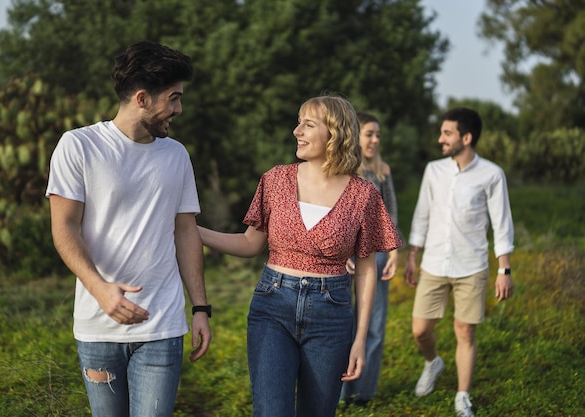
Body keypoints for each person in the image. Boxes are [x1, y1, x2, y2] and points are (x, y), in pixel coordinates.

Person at [198, 94, 403, 417]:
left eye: (308, 124)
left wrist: (360, 339)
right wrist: (192, 232)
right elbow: (251, 244)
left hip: (332, 314)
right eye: (298, 123)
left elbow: (366, 270)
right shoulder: (275, 179)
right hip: (272, 306)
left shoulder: (364, 194)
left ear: (334, 133)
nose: (297, 131)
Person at [46, 41, 211, 417]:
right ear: (142, 98)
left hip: (162, 325)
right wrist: (100, 290)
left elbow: (186, 232)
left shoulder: (177, 155)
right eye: (173, 99)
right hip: (98, 325)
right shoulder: (78, 146)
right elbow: (64, 228)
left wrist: (200, 307)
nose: (179, 109)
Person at [404, 107, 514, 417]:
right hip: (434, 263)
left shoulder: (492, 175)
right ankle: (433, 362)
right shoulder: (434, 170)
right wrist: (413, 254)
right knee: (419, 330)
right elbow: (422, 214)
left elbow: (502, 224)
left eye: (447, 133)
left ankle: (462, 396)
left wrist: (504, 270)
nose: (440, 139)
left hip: (471, 266)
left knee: (465, 331)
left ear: (466, 138)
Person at [340, 112, 400, 405]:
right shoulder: (342, 171)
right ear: (355, 136)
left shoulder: (382, 171)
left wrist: (394, 251)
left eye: (378, 135)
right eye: (369, 134)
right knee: (341, 323)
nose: (375, 140)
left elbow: (390, 213)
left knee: (373, 325)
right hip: (343, 258)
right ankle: (336, 393)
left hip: (375, 255)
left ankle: (362, 393)